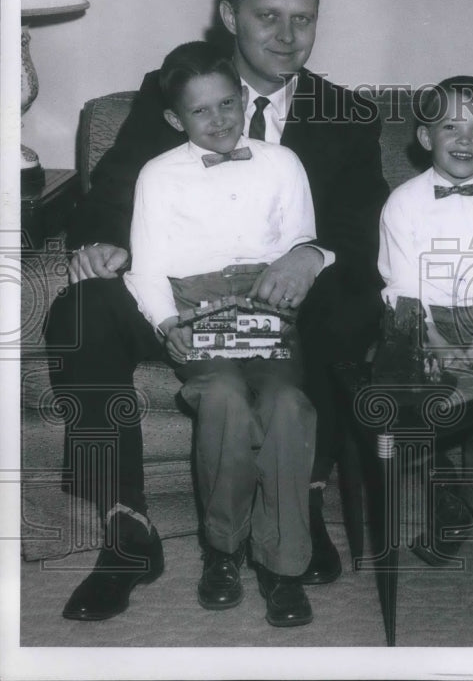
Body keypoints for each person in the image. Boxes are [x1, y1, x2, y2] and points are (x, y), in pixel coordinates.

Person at [46, 0, 387, 622]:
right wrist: (105, 239)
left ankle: (300, 503)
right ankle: (127, 529)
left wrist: (309, 255)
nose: (289, 37)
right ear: (230, 15)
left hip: (287, 291)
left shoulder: (349, 113)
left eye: (305, 19)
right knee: (79, 313)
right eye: (269, 16)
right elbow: (117, 182)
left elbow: (360, 225)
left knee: (348, 308)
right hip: (173, 281)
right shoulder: (173, 87)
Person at [124, 41, 318, 626]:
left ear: (244, 99)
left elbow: (300, 245)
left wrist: (298, 271)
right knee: (227, 399)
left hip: (267, 308)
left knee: (286, 401)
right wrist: (166, 325)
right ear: (174, 120)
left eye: (228, 104)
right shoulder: (157, 176)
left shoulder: (282, 162)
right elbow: (147, 267)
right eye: (201, 111)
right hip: (195, 310)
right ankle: (224, 550)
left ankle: (283, 565)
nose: (220, 120)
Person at [377, 76, 473, 563]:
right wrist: (438, 343)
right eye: (451, 126)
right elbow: (405, 288)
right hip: (420, 317)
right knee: (405, 388)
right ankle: (447, 494)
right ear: (425, 137)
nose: (465, 139)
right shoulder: (403, 202)